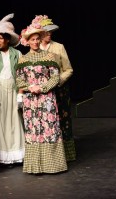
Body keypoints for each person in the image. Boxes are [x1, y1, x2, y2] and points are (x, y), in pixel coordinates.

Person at [15, 15, 67, 174]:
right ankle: (35, 166)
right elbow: (19, 80)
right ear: (27, 41)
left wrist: (42, 87)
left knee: (49, 129)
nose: (36, 42)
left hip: (46, 99)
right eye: (32, 39)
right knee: (33, 131)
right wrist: (30, 87)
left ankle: (53, 165)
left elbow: (55, 77)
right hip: (31, 101)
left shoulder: (49, 56)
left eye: (38, 39)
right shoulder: (23, 59)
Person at [0, 13, 25, 166]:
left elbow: (21, 75)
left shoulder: (17, 54)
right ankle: (1, 155)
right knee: (0, 121)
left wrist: (20, 95)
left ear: (7, 39)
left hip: (13, 90)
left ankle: (16, 153)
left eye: (1, 38)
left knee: (14, 120)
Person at [39, 15, 76, 161]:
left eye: (50, 32)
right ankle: (49, 154)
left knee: (62, 120)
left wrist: (57, 81)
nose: (49, 34)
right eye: (46, 32)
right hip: (43, 91)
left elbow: (68, 69)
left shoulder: (58, 47)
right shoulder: (35, 47)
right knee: (46, 122)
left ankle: (66, 154)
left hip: (59, 90)